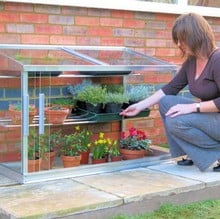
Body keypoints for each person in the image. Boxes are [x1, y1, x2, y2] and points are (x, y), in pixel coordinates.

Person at [120, 13, 220, 172]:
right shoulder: (192, 61)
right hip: (211, 116)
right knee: (167, 103)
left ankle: (216, 153)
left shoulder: (218, 59)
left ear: (196, 36)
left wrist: (193, 108)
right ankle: (189, 153)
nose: (179, 44)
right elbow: (170, 89)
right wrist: (140, 105)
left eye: (182, 38)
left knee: (176, 121)